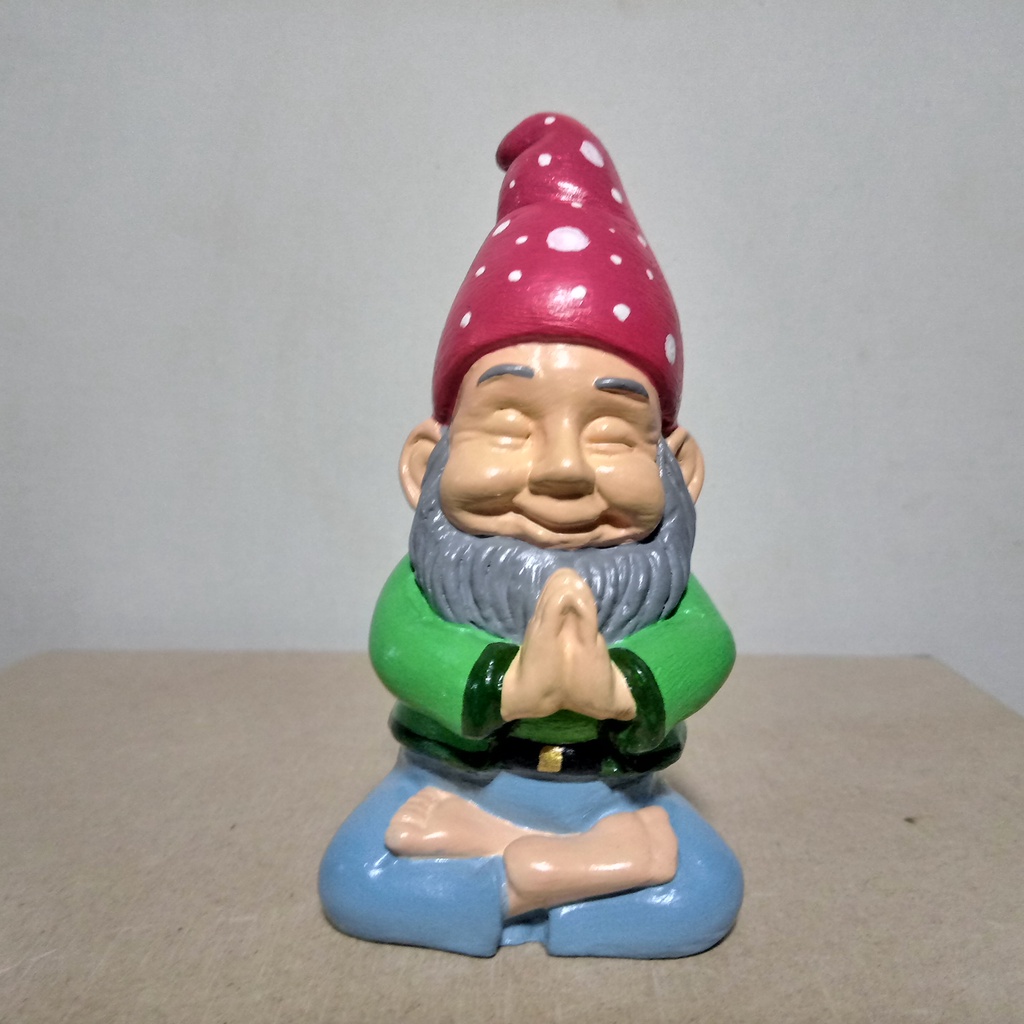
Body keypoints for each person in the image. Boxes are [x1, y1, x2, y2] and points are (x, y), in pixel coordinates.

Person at [319, 113, 742, 958]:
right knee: (354, 879)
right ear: (426, 465)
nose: (562, 471)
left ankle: (515, 873)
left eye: (613, 434)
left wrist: (616, 688)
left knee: (704, 894)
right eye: (510, 427)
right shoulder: (427, 587)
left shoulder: (665, 598)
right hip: (451, 783)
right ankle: (585, 873)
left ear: (680, 470)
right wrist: (510, 687)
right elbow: (401, 648)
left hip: (615, 794)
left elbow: (706, 649)